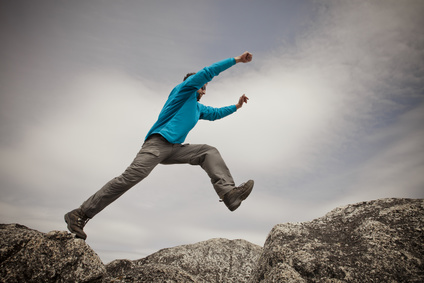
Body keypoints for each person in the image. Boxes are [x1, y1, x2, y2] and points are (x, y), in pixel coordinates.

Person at [65, 51, 254, 240]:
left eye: (205, 89)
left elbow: (215, 113)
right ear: (194, 84)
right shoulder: (183, 91)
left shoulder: (197, 108)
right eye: (202, 87)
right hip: (157, 144)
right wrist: (236, 60)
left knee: (208, 152)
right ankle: (80, 213)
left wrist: (236, 106)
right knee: (129, 178)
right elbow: (207, 72)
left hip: (174, 149)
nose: (204, 91)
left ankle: (229, 194)